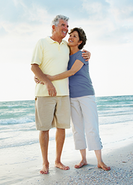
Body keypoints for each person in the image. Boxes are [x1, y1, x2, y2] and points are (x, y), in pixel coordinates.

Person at [31, 15, 91, 174]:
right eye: (63, 25)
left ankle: (57, 160)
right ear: (54, 27)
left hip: (64, 93)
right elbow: (34, 66)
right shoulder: (42, 43)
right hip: (44, 93)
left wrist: (88, 54)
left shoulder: (66, 45)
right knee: (44, 128)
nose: (66, 28)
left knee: (61, 127)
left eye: (67, 26)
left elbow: (78, 54)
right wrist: (47, 82)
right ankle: (45, 163)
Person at [46, 27, 111, 171]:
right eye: (70, 35)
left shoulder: (83, 55)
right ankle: (83, 159)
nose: (70, 37)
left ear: (80, 41)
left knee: (91, 127)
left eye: (74, 36)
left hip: (86, 94)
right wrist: (42, 76)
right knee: (77, 129)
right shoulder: (65, 56)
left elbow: (72, 72)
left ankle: (100, 160)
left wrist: (48, 78)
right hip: (72, 96)